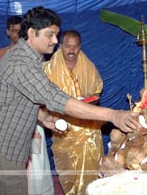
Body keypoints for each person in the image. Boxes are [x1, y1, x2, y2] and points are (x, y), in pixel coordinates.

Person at [0, 6, 140, 195]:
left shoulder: (25, 56)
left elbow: (16, 98)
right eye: (50, 35)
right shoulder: (21, 64)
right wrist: (113, 115)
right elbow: (57, 99)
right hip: (3, 148)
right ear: (31, 33)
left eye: (56, 35)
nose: (54, 41)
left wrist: (43, 118)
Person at [44, 29, 104, 194]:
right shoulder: (48, 69)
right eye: (68, 46)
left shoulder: (88, 66)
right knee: (68, 170)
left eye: (75, 47)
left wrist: (89, 100)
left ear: (80, 47)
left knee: (91, 167)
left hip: (88, 127)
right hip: (63, 126)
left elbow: (96, 93)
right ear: (61, 46)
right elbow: (42, 99)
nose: (71, 50)